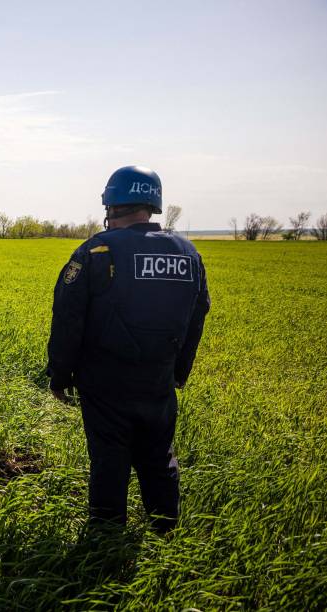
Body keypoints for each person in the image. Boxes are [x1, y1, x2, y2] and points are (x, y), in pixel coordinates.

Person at [46, 166, 210, 534]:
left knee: (109, 459)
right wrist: (178, 373)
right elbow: (197, 318)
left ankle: (106, 541)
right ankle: (166, 532)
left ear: (112, 204)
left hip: (106, 386)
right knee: (158, 456)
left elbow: (68, 318)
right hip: (159, 383)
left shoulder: (96, 251)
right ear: (153, 204)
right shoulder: (188, 254)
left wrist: (60, 375)